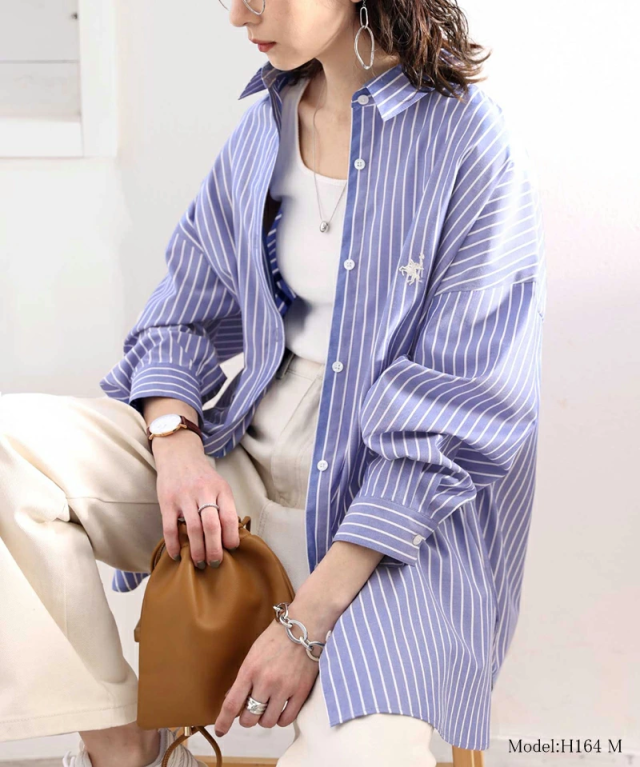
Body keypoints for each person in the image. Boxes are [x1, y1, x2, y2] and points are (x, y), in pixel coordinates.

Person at [0, 0, 547, 765]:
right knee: (10, 447)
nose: (238, 14)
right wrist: (177, 444)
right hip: (242, 479)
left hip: (390, 534)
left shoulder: (468, 144)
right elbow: (179, 316)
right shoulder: (265, 128)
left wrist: (305, 624)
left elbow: (463, 416)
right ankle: (124, 743)